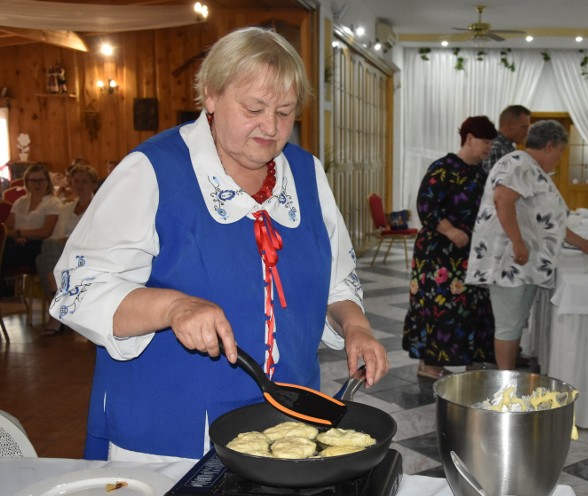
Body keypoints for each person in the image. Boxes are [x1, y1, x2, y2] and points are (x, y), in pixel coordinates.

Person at [50, 27, 389, 462]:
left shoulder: (307, 175)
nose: (271, 127)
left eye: (285, 113)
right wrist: (172, 307)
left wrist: (355, 328)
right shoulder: (152, 171)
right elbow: (79, 289)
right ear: (210, 95)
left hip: (286, 427)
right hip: (167, 438)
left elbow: (336, 281)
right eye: (254, 108)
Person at [466, 120, 588, 370]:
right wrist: (518, 243)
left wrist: (584, 243)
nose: (561, 158)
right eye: (561, 151)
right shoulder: (519, 163)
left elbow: (547, 221)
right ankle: (505, 385)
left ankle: (508, 377)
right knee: (508, 325)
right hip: (510, 260)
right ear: (550, 145)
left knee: (514, 323)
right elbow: (502, 201)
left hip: (521, 261)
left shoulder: (528, 166)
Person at [403, 116, 498, 380]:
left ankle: (471, 361)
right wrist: (450, 230)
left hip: (470, 257)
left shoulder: (481, 174)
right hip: (439, 256)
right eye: (485, 142)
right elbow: (426, 206)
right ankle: (430, 366)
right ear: (469, 138)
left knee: (470, 310)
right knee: (439, 308)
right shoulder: (443, 168)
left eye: (491, 143)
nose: (489, 147)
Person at [36, 164, 98, 335]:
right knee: (45, 253)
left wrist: (71, 241)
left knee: (43, 258)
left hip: (87, 251)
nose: (79, 185)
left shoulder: (99, 207)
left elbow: (100, 236)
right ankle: (62, 302)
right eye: (76, 181)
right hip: (63, 250)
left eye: (84, 181)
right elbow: (56, 235)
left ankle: (58, 307)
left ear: (93, 185)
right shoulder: (67, 208)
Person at [1, 164, 62, 288]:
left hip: (39, 245)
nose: (37, 184)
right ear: (27, 182)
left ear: (47, 182)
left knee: (7, 253)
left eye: (41, 180)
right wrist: (16, 236)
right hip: (17, 241)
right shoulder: (20, 202)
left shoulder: (53, 203)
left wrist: (19, 233)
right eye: (33, 180)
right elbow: (7, 228)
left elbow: (46, 232)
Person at [481, 105, 531, 174]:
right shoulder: (497, 149)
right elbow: (499, 183)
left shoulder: (505, 148)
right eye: (524, 127)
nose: (527, 132)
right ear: (508, 125)